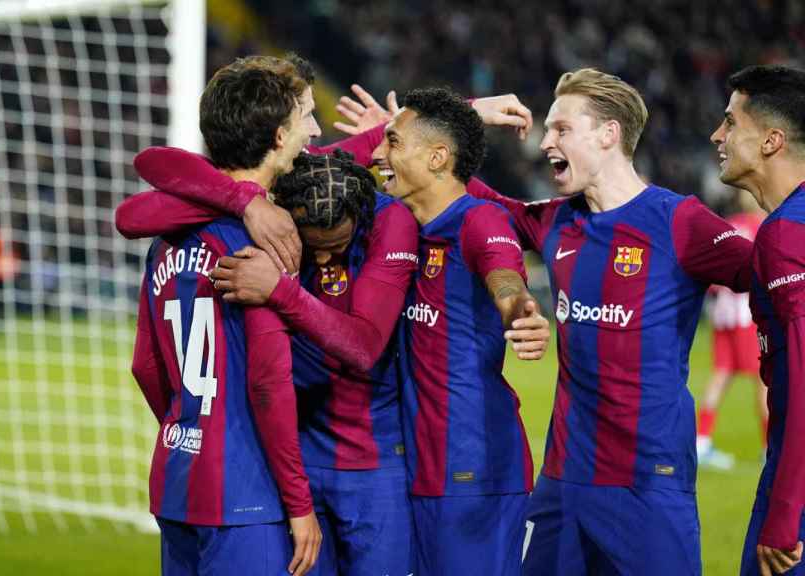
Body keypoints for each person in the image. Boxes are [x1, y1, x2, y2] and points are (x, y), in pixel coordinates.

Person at [332, 70, 754, 574]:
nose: (545, 142)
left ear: (609, 134)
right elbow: (452, 188)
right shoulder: (555, 220)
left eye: (561, 129)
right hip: (562, 483)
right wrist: (412, 136)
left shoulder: (679, 221)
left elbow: (773, 274)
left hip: (649, 482)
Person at [122, 145, 420, 574]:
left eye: (337, 247)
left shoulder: (388, 219)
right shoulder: (275, 208)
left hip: (372, 464)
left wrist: (279, 290)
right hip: (292, 458)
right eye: (314, 247)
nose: (323, 260)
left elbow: (364, 347)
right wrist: (245, 200)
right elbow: (133, 212)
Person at [129, 54, 321, 576]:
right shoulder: (262, 244)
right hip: (244, 491)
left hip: (178, 475)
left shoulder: (167, 239)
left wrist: (188, 424)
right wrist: (299, 503)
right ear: (278, 137)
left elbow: (145, 365)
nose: (315, 131)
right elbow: (268, 382)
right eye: (305, 118)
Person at [369, 86, 548, 575]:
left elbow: (503, 273)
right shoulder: (400, 225)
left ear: (437, 158)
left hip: (473, 468)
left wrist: (520, 312)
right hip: (419, 466)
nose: (377, 153)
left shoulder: (478, 219)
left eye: (392, 141)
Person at [709, 63, 805, 576]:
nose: (717, 135)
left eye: (730, 121)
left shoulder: (785, 234)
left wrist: (785, 510)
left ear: (771, 141)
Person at [696, 189, 769, 471]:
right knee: (765, 380)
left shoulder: (729, 225)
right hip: (747, 314)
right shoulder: (761, 227)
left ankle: (701, 441)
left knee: (721, 374)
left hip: (723, 312)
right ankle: (770, 448)